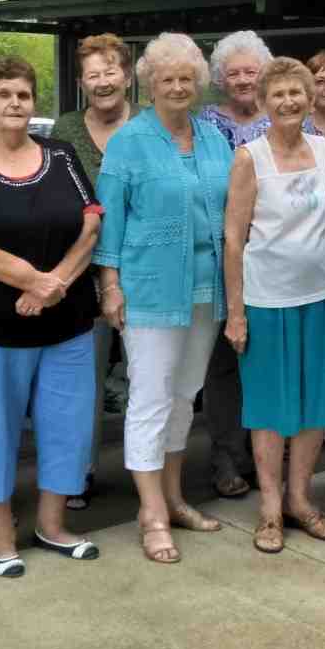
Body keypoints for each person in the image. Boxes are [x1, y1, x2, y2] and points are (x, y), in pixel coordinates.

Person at [0, 56, 104, 578]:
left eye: (24, 95)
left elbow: (90, 223)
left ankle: (52, 526)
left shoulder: (60, 153)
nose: (15, 104)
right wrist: (31, 280)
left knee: (67, 424)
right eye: (4, 94)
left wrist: (55, 286)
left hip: (66, 318)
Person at [94, 33, 233, 565]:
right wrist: (110, 285)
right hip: (150, 289)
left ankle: (174, 498)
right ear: (149, 85)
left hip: (205, 290)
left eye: (186, 79)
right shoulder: (130, 141)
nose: (177, 87)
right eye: (166, 79)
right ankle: (150, 512)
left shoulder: (213, 138)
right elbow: (111, 218)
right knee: (150, 398)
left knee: (185, 395)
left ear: (197, 84)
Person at [223, 58, 325, 553]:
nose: (289, 101)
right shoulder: (250, 157)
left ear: (310, 97)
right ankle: (270, 508)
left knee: (315, 403)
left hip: (323, 294)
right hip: (267, 299)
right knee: (271, 408)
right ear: (263, 102)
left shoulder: (324, 149)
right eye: (279, 94)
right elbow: (234, 239)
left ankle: (301, 499)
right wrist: (235, 312)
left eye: (298, 92)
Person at [50, 33, 136, 510]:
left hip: (145, 270)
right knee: (83, 376)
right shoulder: (64, 130)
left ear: (126, 74)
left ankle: (151, 469)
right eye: (93, 75)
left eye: (110, 72)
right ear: (82, 83)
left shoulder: (148, 122)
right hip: (82, 272)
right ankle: (76, 472)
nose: (103, 82)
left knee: (147, 375)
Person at [196, 31, 273, 498]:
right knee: (224, 363)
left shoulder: (288, 120)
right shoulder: (203, 123)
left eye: (252, 71)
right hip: (221, 254)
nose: (244, 80)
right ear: (220, 79)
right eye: (235, 72)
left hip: (274, 257)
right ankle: (226, 459)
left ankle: (267, 455)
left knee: (266, 360)